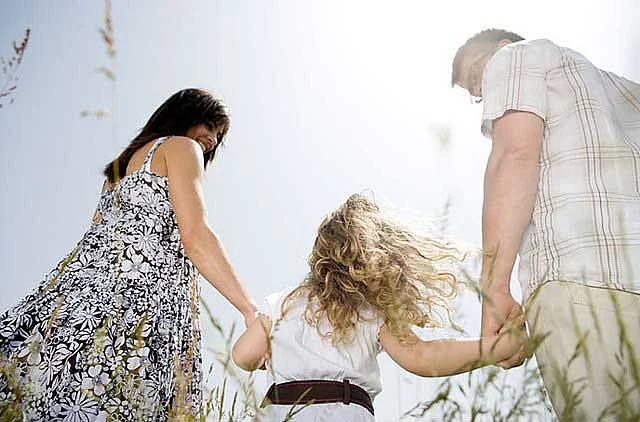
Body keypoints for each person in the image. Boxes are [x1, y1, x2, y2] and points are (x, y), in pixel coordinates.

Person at [0, 88, 258, 421]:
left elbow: (95, 235)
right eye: (209, 126)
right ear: (185, 115)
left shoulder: (116, 174)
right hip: (142, 308)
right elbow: (195, 235)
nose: (212, 139)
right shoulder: (181, 147)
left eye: (218, 135)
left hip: (83, 302)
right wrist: (248, 308)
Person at [451, 29, 640, 420]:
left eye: (476, 75)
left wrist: (494, 289)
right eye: (475, 91)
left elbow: (515, 155)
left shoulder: (515, 56)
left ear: (501, 47)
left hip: (581, 283)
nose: (482, 90)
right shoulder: (626, 92)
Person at [231, 193, 527, 421]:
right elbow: (422, 357)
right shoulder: (370, 310)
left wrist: (270, 355)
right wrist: (497, 347)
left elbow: (243, 355)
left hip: (280, 411)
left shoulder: (283, 302)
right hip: (345, 410)